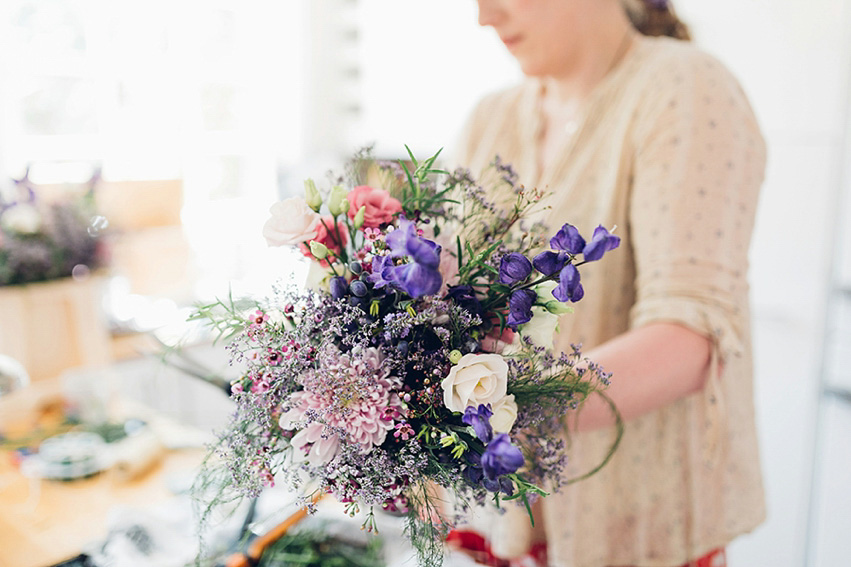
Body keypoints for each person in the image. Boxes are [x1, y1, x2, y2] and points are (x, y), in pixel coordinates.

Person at [449, 1, 766, 566]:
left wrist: (503, 402)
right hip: (502, 531)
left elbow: (690, 335)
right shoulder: (489, 118)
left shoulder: (684, 88)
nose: (484, 17)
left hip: (632, 529)